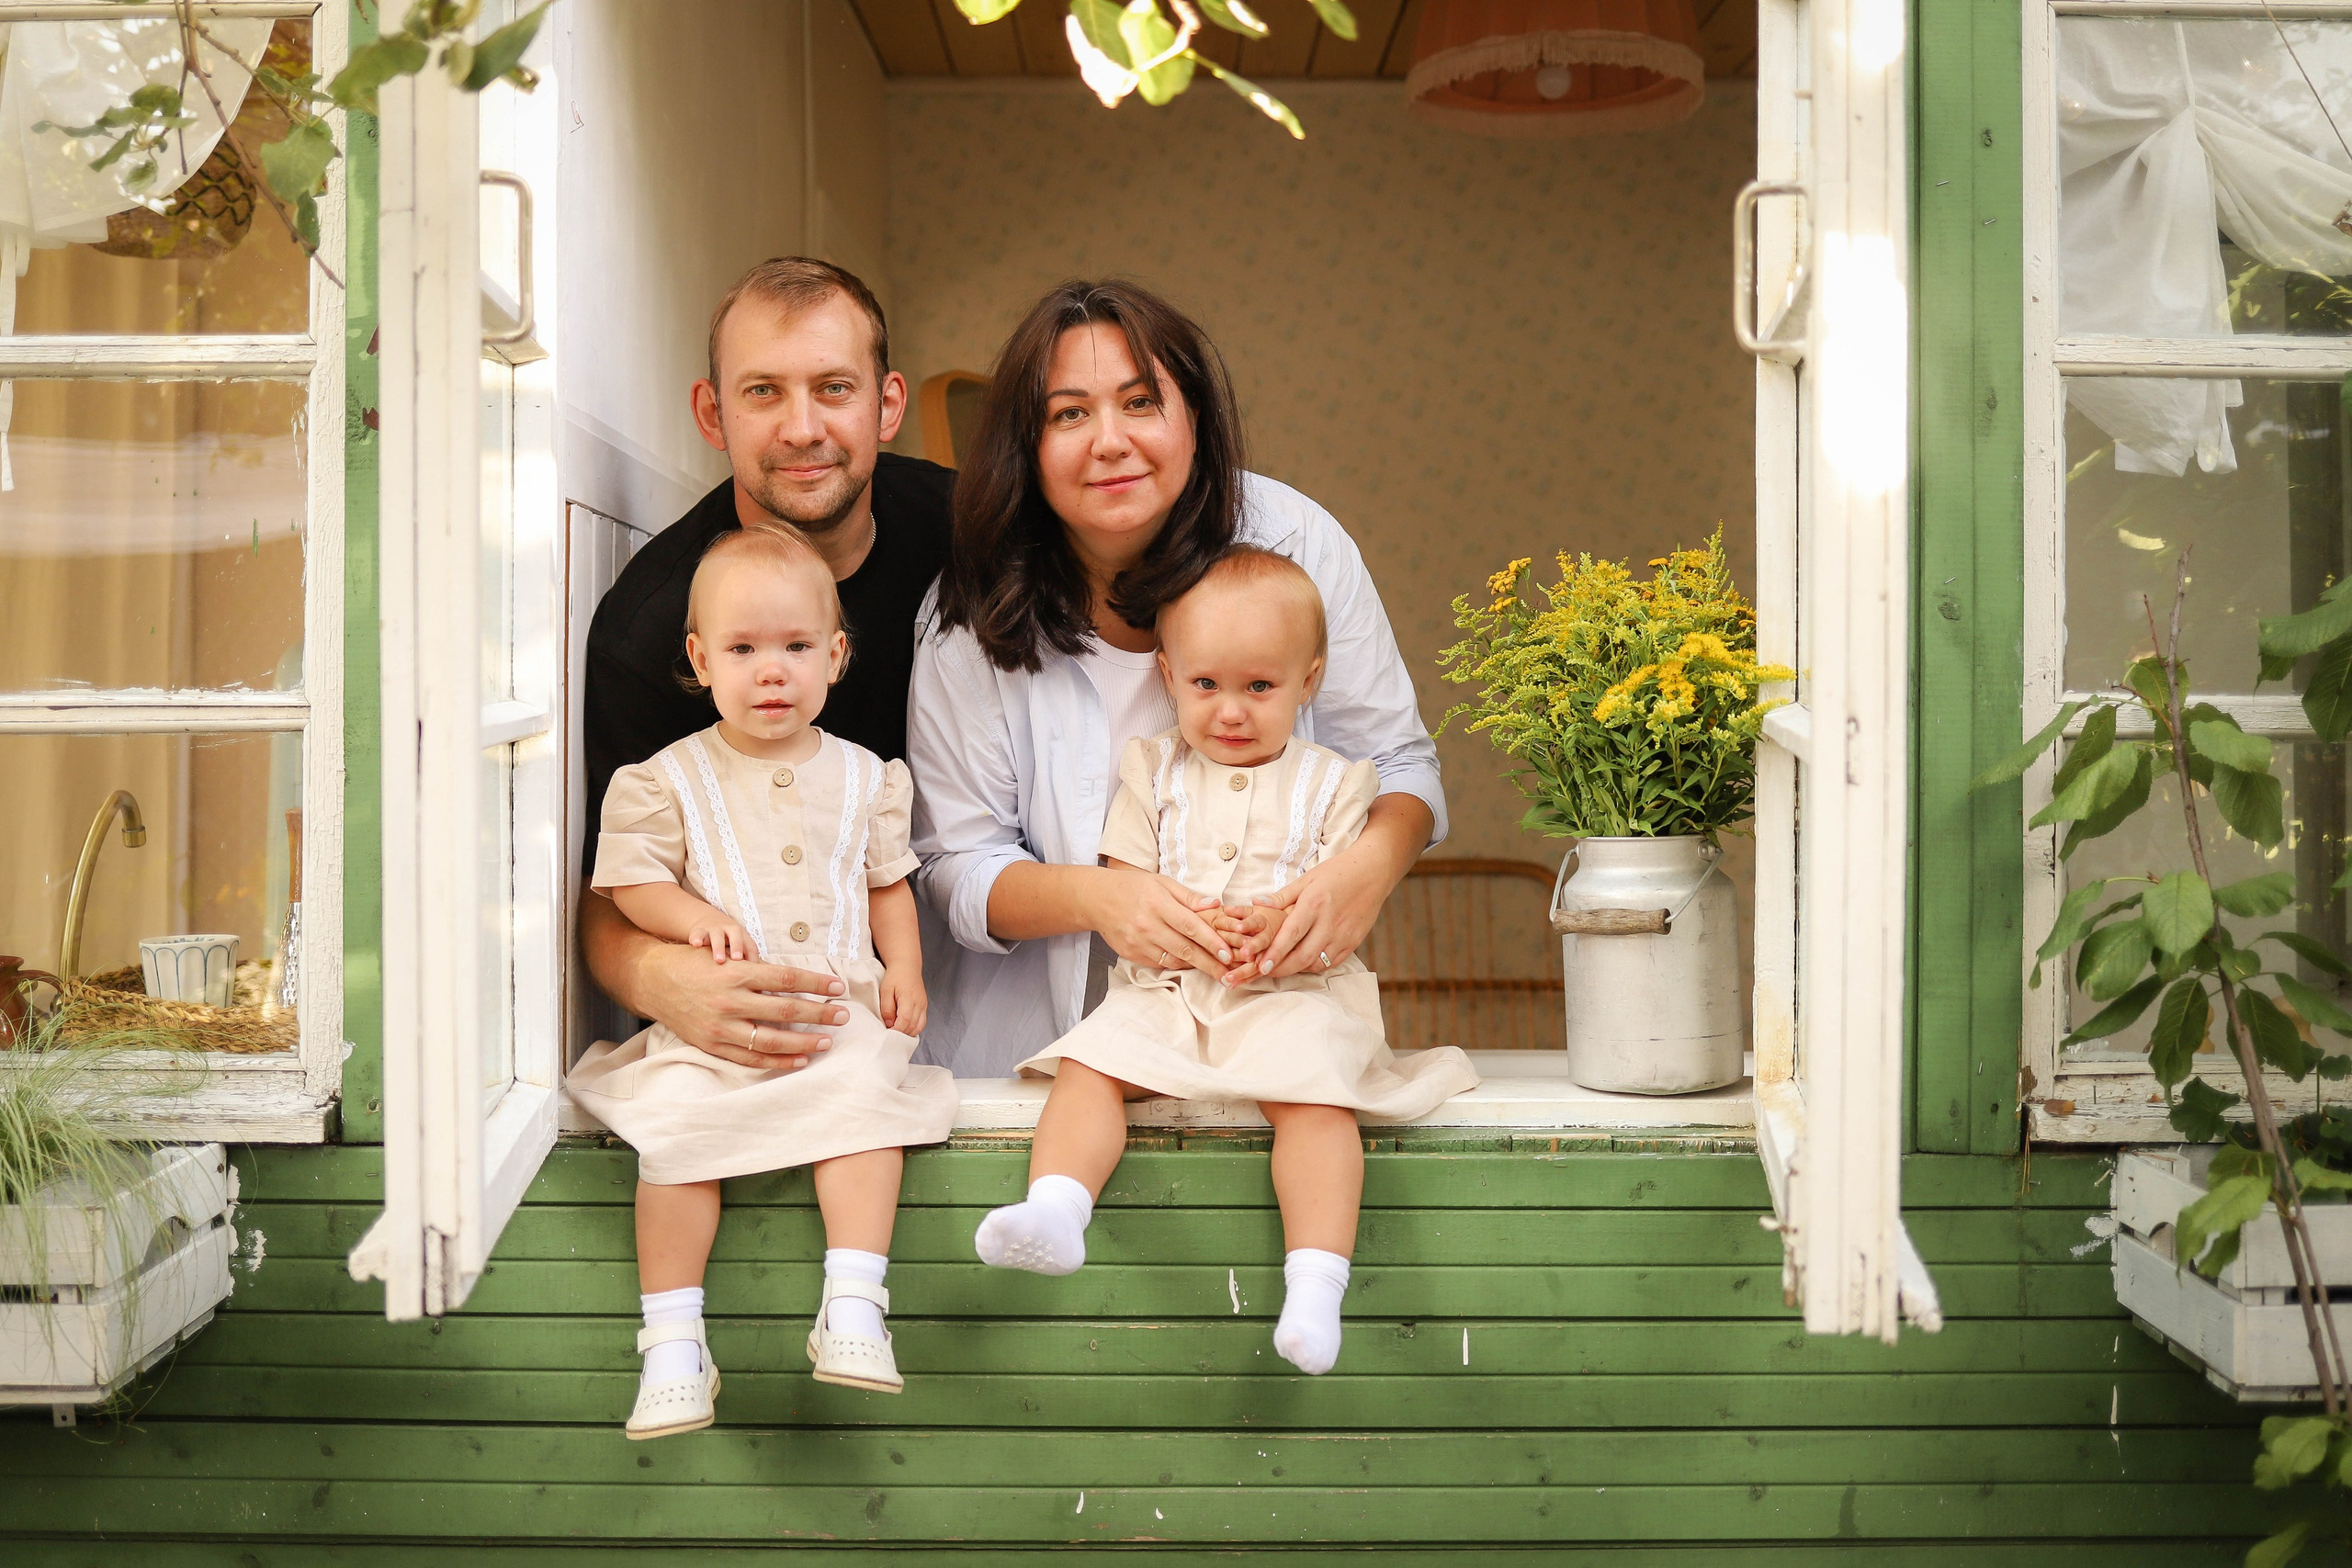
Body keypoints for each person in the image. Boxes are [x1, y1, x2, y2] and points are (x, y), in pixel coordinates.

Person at [909, 276, 1446, 1080]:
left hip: (1260, 1036)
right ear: (1028, 445)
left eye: (1140, 402)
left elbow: (1401, 763)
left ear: (1193, 415)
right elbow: (955, 865)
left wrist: (1363, 872)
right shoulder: (968, 610)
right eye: (1068, 414)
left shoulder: (1296, 542)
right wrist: (1101, 898)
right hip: (1026, 1059)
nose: (1110, 440)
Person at [971, 549, 1476, 1375]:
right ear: (1168, 675)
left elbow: (1330, 898)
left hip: (1293, 991)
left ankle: (1316, 1285)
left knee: (1315, 1102)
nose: (1231, 711)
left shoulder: (1335, 785)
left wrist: (1277, 922)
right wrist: (1183, 919)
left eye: (1260, 687)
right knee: (1090, 1064)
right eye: (1206, 685)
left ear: (1307, 682)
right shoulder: (1153, 771)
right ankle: (1058, 1207)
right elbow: (1128, 882)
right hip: (1171, 987)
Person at [568, 525, 957, 1440]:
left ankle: (855, 1302)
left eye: (794, 648)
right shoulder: (668, 780)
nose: (770, 671)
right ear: (701, 661)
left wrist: (903, 967)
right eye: (743, 650)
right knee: (673, 1142)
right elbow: (630, 882)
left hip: (830, 1013)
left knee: (868, 1110)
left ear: (836, 656)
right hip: (717, 1016)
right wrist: (685, 920)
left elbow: (886, 884)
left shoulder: (867, 778)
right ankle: (671, 1341)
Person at [582, 257, 953, 1081]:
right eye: (762, 392)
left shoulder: (971, 540)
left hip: (956, 969)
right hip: (761, 1036)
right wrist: (661, 977)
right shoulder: (650, 629)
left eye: (832, 387)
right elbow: (604, 895)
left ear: (887, 404)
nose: (801, 427)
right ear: (711, 413)